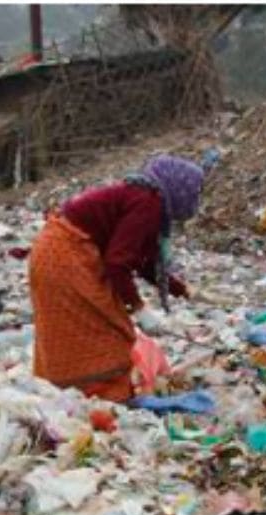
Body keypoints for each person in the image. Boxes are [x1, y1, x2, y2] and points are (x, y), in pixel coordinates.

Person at [28, 154, 204, 402]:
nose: (195, 200)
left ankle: (73, 396)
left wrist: (181, 289)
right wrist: (139, 308)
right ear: (179, 188)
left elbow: (142, 260)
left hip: (55, 253)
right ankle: (96, 397)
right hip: (66, 258)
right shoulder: (148, 203)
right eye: (194, 192)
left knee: (78, 328)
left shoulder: (146, 199)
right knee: (108, 331)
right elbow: (118, 262)